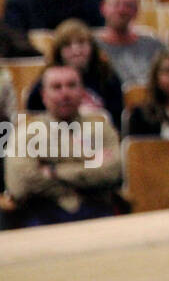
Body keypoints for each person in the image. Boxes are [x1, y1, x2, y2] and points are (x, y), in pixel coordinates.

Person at [4, 65, 123, 226]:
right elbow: (20, 185)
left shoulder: (102, 129)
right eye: (56, 87)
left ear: (82, 92)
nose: (65, 93)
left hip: (96, 211)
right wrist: (87, 162)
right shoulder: (26, 132)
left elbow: (112, 173)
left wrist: (53, 170)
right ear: (44, 95)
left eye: (71, 85)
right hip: (43, 213)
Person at [25, 18, 125, 131]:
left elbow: (116, 122)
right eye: (68, 45)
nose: (76, 50)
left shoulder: (107, 77)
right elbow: (33, 116)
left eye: (81, 43)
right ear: (59, 51)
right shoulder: (46, 79)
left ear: (92, 47)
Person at [97, 0, 166, 86]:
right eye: (116, 4)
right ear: (103, 8)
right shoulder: (90, 46)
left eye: (128, 5)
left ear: (136, 11)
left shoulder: (154, 46)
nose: (121, 10)